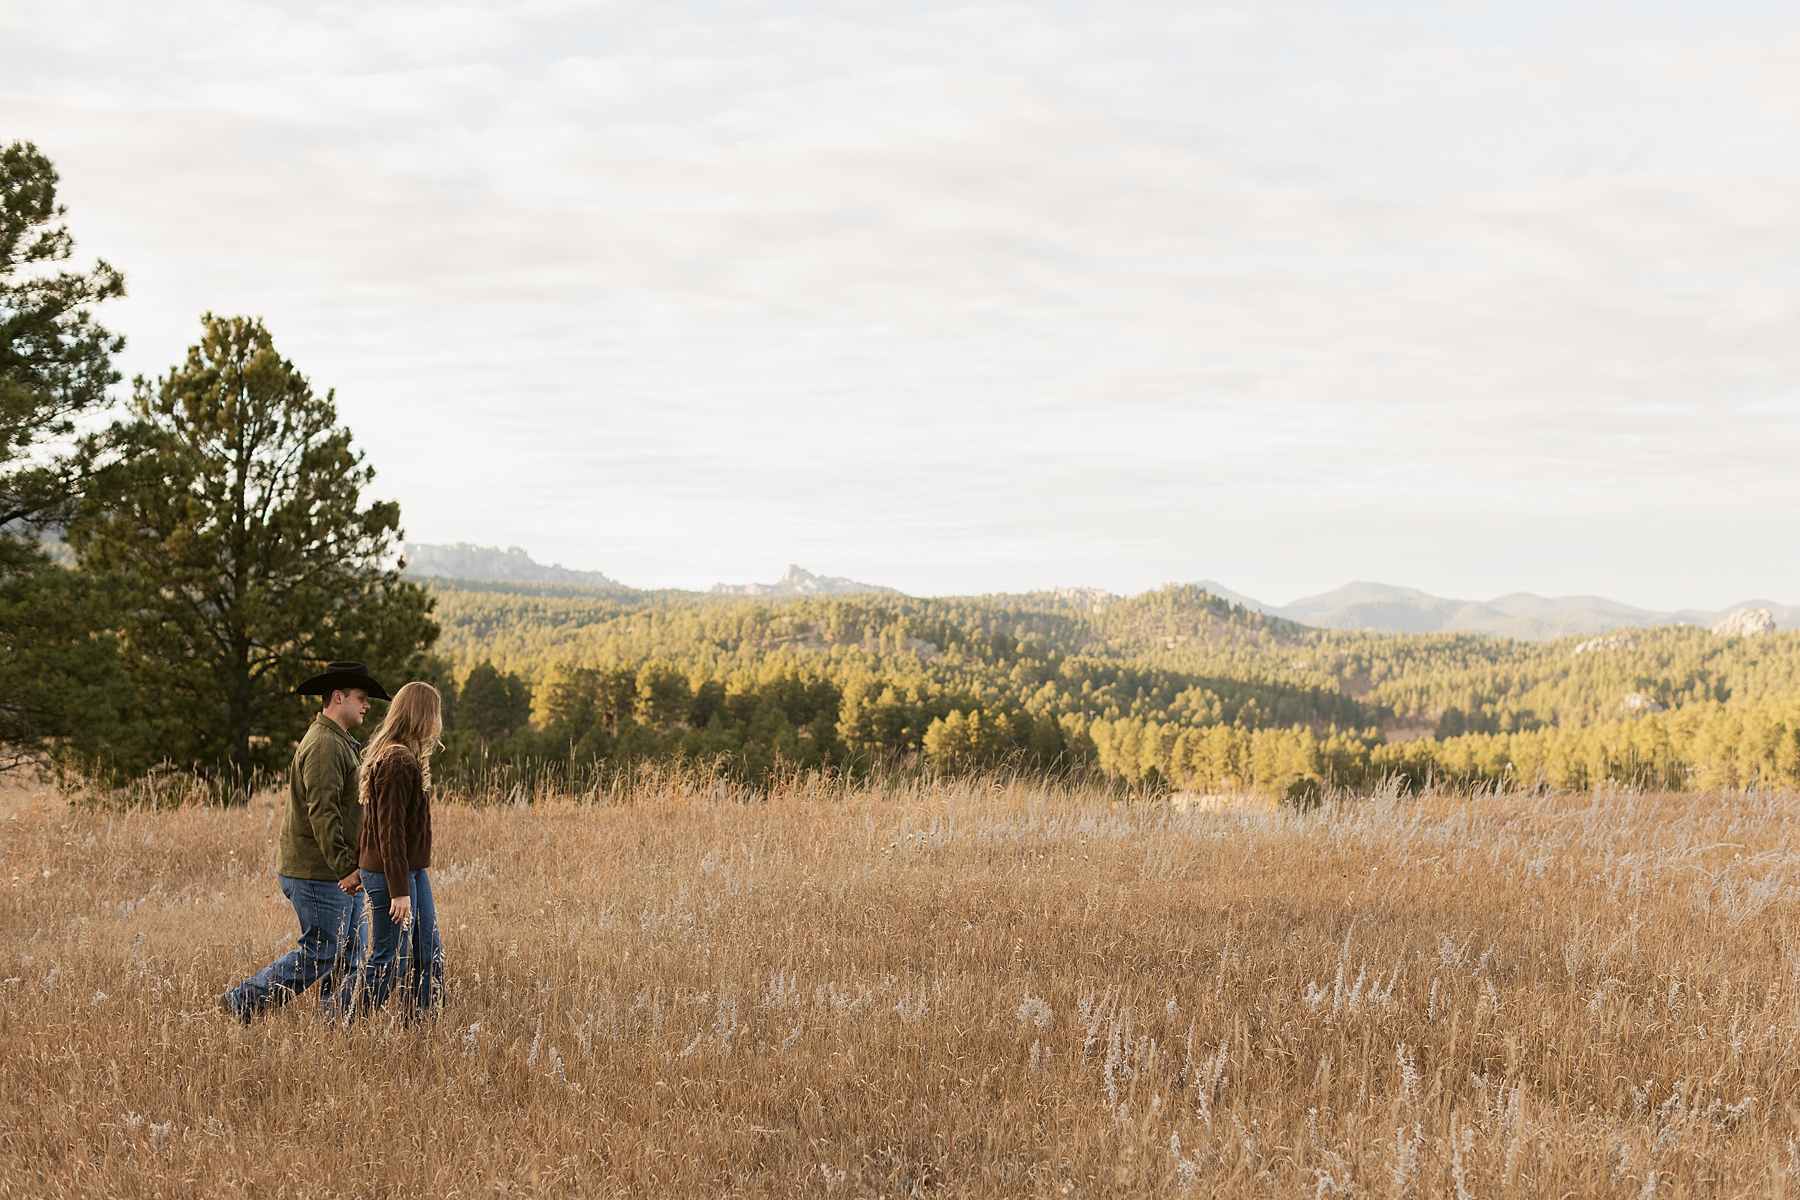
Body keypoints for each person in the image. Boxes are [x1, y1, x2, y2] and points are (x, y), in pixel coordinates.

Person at [223, 661, 390, 1021]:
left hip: (333, 871)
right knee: (322, 951)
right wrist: (345, 867)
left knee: (350, 952)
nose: (367, 705)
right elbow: (323, 812)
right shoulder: (325, 745)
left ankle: (332, 1023)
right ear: (337, 697)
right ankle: (243, 1001)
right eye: (361, 698)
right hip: (318, 872)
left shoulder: (340, 741)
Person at [339, 680, 445, 1021]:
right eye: (435, 713)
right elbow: (390, 832)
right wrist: (399, 892)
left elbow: (374, 822)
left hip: (408, 870)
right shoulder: (398, 761)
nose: (438, 722)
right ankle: (341, 1019)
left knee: (428, 952)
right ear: (422, 715)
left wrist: (360, 866)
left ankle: (422, 1025)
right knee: (390, 958)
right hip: (392, 875)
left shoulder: (401, 756)